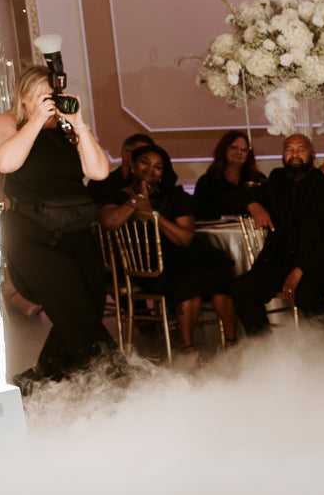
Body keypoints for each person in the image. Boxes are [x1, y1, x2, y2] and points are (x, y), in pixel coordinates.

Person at [0, 65, 115, 385]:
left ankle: (38, 381)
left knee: (86, 309)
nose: (50, 102)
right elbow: (5, 162)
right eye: (41, 96)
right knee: (75, 313)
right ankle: (115, 380)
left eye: (53, 96)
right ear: (24, 97)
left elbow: (99, 172)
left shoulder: (68, 128)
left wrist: (80, 125)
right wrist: (35, 121)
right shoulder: (8, 122)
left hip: (78, 231)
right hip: (33, 237)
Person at [97, 144, 236, 353]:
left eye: (158, 167)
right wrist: (135, 200)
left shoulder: (175, 196)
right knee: (189, 282)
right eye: (145, 162)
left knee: (221, 272)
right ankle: (189, 350)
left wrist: (152, 213)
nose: (150, 169)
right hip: (149, 267)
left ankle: (231, 345)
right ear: (133, 165)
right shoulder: (116, 196)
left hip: (185, 257)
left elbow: (185, 239)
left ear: (163, 173)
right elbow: (109, 223)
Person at [230, 134, 324, 334]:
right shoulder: (278, 180)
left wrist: (301, 268)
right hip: (283, 263)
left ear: (312, 155)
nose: (294, 154)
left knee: (304, 292)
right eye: (289, 149)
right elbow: (238, 196)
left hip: (323, 264)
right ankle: (264, 345)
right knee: (241, 288)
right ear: (283, 155)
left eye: (301, 149)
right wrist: (253, 205)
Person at [192, 131, 267, 219]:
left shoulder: (258, 178)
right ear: (224, 149)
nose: (239, 152)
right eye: (234, 147)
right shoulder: (206, 181)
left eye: (244, 149)